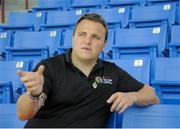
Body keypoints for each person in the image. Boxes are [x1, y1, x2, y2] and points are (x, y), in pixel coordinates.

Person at [16, 13, 159, 128]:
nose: (87, 41)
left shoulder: (112, 72)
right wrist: (33, 95)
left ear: (104, 45)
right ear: (73, 38)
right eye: (82, 34)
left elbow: (152, 95)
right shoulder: (49, 67)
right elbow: (23, 114)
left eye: (95, 37)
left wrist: (132, 96)